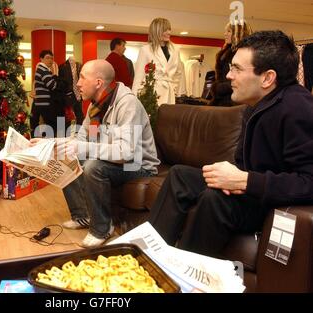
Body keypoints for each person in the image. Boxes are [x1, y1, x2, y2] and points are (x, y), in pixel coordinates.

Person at [148, 30, 313, 257]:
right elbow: (243, 162)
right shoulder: (254, 105)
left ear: (267, 78)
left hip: (271, 202)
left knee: (215, 199)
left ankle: (184, 276)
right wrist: (234, 178)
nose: (228, 75)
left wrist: (245, 181)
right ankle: (148, 258)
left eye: (236, 69)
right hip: (252, 189)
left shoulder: (298, 109)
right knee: (179, 176)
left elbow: (308, 181)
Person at [55, 59, 160, 248]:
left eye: (82, 77)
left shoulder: (127, 104)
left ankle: (102, 228)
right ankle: (83, 216)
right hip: (114, 161)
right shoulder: (95, 106)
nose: (77, 83)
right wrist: (50, 144)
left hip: (138, 165)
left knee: (93, 166)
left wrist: (84, 148)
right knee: (67, 157)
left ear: (98, 83)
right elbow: (81, 139)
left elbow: (126, 153)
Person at [132, 18, 185, 105]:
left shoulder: (175, 49)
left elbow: (178, 72)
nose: (169, 32)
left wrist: (174, 87)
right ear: (157, 31)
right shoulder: (146, 50)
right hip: (152, 94)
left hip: (170, 93)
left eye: (169, 29)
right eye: (165, 30)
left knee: (169, 117)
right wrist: (135, 98)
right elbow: (139, 76)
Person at [209, 21, 252, 106]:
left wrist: (220, 88)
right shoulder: (225, 53)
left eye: (229, 31)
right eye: (225, 31)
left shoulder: (244, 54)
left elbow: (244, 79)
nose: (225, 34)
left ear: (239, 32)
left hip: (235, 103)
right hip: (222, 100)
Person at [30, 50, 64, 137]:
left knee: (47, 124)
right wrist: (58, 83)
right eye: (47, 58)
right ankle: (48, 142)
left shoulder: (42, 69)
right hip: (45, 103)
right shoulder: (43, 69)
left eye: (52, 58)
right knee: (51, 124)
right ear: (41, 59)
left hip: (41, 102)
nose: (50, 60)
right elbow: (51, 85)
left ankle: (44, 139)